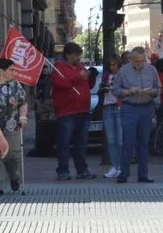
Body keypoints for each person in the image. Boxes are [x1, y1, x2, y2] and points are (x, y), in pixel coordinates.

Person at [112, 47, 161, 183]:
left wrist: (153, 92)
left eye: (142, 61)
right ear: (131, 60)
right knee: (128, 142)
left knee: (144, 143)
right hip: (129, 108)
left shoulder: (152, 70)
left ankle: (143, 174)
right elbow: (115, 90)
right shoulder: (124, 70)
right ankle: (124, 173)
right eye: (137, 61)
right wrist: (128, 92)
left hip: (146, 108)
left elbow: (158, 88)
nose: (140, 64)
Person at [52, 42, 97, 181]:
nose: (78, 58)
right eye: (76, 55)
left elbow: (88, 86)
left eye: (79, 55)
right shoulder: (59, 67)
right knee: (65, 143)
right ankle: (63, 170)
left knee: (81, 144)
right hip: (67, 112)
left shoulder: (80, 67)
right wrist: (79, 76)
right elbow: (61, 83)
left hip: (83, 111)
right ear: (68, 54)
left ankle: (82, 170)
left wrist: (92, 76)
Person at [0, 59, 28, 193]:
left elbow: (23, 102)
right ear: (1, 70)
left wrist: (23, 117)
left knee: (12, 155)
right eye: (11, 69)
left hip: (12, 126)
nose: (14, 72)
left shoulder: (15, 85)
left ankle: (15, 176)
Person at [99, 56, 124, 179]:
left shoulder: (124, 76)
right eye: (110, 65)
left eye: (114, 64)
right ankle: (114, 166)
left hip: (119, 108)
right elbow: (100, 90)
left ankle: (120, 166)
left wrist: (114, 88)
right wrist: (103, 88)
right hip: (108, 107)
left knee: (120, 140)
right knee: (111, 140)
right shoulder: (106, 76)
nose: (112, 67)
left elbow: (125, 91)